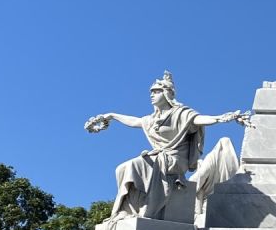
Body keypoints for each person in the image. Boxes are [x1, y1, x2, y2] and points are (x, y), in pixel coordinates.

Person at [85, 72, 248, 220]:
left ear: (167, 93)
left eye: (156, 91)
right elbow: (135, 121)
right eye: (151, 92)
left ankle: (142, 210)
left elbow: (199, 120)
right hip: (159, 156)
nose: (152, 95)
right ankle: (127, 210)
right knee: (122, 168)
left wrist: (222, 118)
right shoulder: (152, 119)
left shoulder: (181, 113)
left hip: (176, 159)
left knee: (135, 165)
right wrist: (112, 115)